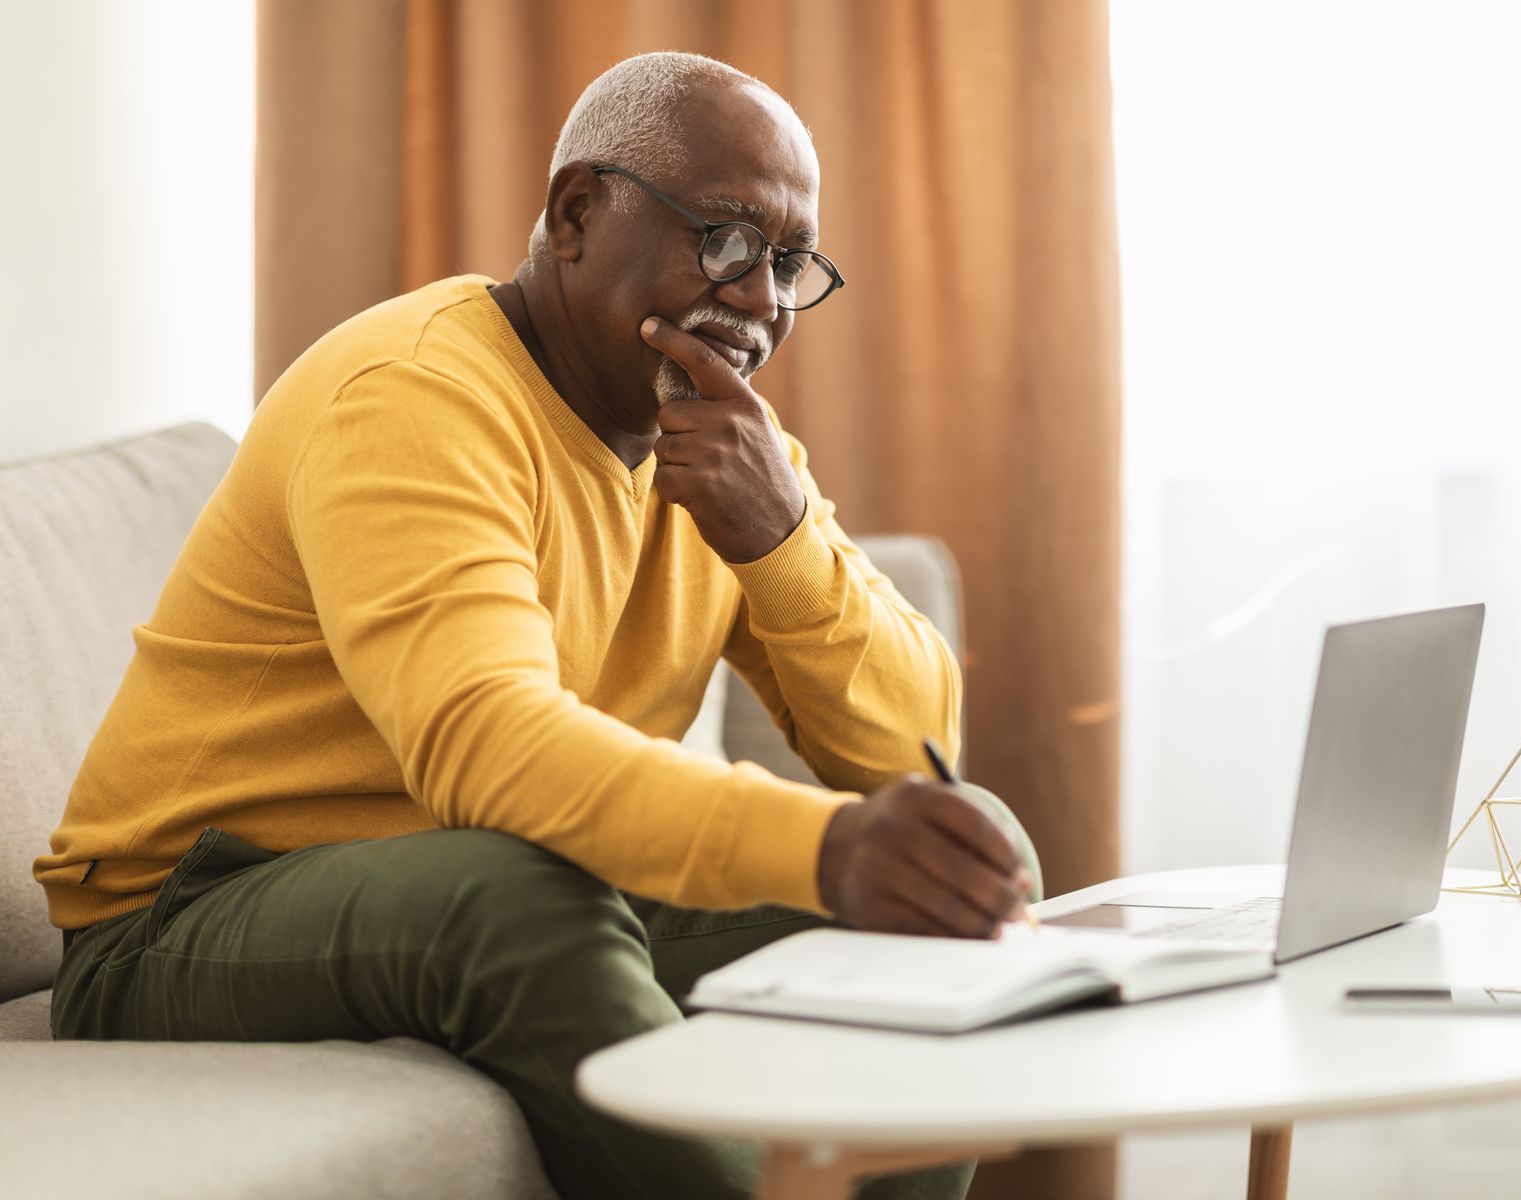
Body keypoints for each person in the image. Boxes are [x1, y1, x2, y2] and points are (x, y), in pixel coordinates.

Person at [35, 51, 1030, 1200]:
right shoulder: (415, 395)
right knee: (515, 894)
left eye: (790, 262)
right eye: (726, 240)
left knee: (964, 866)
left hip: (476, 880)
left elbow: (914, 755)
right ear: (574, 215)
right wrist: (823, 848)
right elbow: (486, 749)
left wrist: (782, 538)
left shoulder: (721, 444)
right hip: (178, 919)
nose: (761, 299)